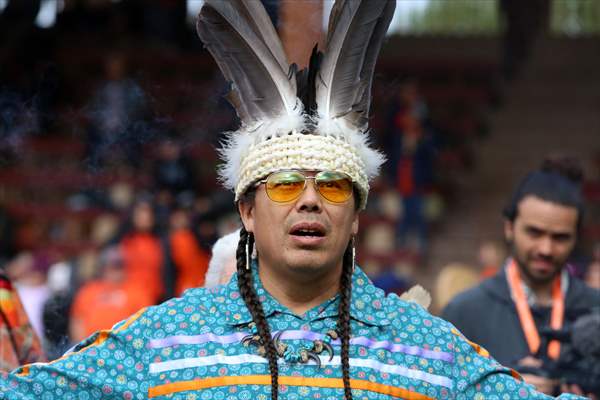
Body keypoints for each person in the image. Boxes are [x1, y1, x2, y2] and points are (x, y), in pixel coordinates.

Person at [0, 1, 585, 399]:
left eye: (331, 187)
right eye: (284, 186)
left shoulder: (428, 348)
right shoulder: (164, 338)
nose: (310, 201)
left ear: (356, 217)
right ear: (247, 211)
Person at [442, 157, 600, 397]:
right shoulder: (464, 313)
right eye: (534, 232)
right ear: (509, 226)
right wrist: (500, 391)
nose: (545, 248)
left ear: (576, 237)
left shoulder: (595, 307)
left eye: (560, 237)